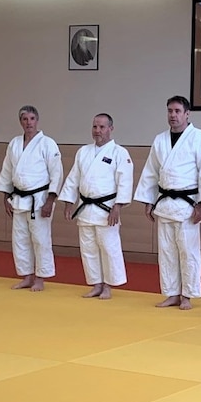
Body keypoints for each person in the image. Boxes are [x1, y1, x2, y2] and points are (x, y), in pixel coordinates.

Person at [133, 95, 201, 310]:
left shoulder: (200, 138)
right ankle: (171, 293)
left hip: (188, 204)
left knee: (188, 251)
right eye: (170, 111)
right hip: (165, 203)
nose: (173, 115)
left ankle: (188, 294)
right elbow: (151, 171)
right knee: (167, 251)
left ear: (187, 114)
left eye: (178, 111)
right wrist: (148, 200)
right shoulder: (160, 139)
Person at [60, 113, 134, 300]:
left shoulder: (119, 152)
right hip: (85, 208)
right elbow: (73, 178)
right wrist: (69, 202)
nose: (97, 131)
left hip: (106, 209)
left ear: (111, 128)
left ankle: (108, 285)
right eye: (95, 127)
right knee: (88, 249)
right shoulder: (83, 152)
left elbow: (124, 182)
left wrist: (118, 207)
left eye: (102, 127)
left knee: (108, 247)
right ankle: (96, 283)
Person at [0, 105, 63, 292]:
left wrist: (51, 200)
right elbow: (7, 171)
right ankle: (27, 276)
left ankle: (40, 278)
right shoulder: (14, 143)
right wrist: (5, 197)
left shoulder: (48, 143)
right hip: (18, 199)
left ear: (37, 120)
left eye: (32, 119)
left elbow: (56, 173)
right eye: (25, 119)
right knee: (20, 239)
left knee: (40, 239)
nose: (28, 123)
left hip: (39, 199)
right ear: (20, 122)